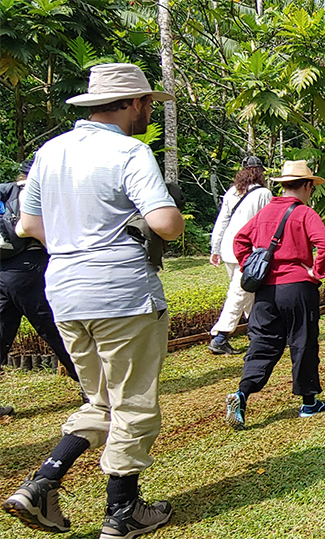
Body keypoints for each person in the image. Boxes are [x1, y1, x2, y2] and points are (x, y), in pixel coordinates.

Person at [3, 63, 184, 539]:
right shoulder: (129, 151)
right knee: (133, 403)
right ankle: (122, 512)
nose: (149, 110)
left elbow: (27, 226)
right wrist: (169, 218)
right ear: (131, 103)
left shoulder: (49, 152)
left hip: (65, 291)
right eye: (147, 102)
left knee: (100, 399)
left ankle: (42, 482)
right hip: (122, 292)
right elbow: (165, 223)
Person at [225, 160, 325, 430]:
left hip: (265, 290)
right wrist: (316, 273)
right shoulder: (305, 213)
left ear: (283, 185)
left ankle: (242, 393)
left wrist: (249, 264)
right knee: (303, 341)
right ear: (307, 186)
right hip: (297, 286)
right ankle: (309, 402)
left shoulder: (263, 214)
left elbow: (239, 240)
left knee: (262, 343)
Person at [0, 160, 80, 384]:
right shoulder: (35, 194)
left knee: (1, 332)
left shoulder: (7, 193)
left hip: (4, 269)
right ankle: (93, 389)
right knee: (57, 328)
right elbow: (28, 228)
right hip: (31, 270)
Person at [207, 156, 273, 355]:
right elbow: (267, 224)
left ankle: (259, 333)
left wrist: (215, 248)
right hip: (248, 251)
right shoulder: (264, 194)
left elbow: (221, 222)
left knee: (249, 293)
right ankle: (221, 336)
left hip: (229, 249)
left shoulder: (232, 192)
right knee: (239, 294)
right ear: (260, 172)